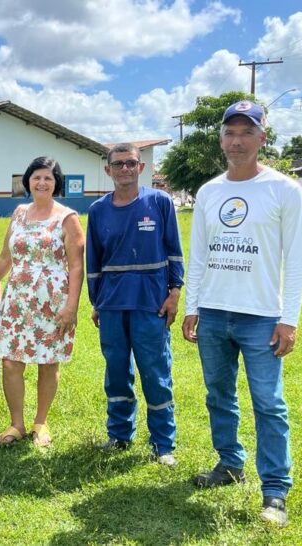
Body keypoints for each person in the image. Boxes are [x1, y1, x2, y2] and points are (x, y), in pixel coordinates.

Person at [182, 100, 302, 527]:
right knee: (218, 394)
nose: (237, 141)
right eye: (230, 133)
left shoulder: (284, 190)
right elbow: (198, 253)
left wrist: (288, 318)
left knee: (269, 403)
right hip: (214, 313)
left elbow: (296, 261)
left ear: (261, 138)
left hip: (260, 317)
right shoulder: (209, 191)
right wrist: (192, 307)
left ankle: (274, 491)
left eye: (246, 132)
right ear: (221, 139)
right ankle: (230, 463)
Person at [0, 156, 85, 448]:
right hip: (18, 300)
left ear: (56, 182)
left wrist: (71, 306)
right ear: (28, 181)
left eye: (48, 177)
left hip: (53, 302)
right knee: (10, 362)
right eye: (36, 177)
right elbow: (6, 257)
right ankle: (16, 424)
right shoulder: (19, 213)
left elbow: (76, 266)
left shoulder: (67, 217)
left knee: (48, 362)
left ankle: (41, 423)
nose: (42, 182)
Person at [86, 143, 183, 467]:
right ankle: (119, 435)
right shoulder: (98, 210)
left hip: (151, 302)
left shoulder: (159, 202)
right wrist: (96, 301)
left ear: (141, 168)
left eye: (130, 163)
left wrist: (174, 292)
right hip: (112, 304)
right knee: (116, 372)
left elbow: (174, 250)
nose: (124, 169)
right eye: (118, 164)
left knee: (155, 373)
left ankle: (163, 444)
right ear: (108, 170)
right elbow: (94, 261)